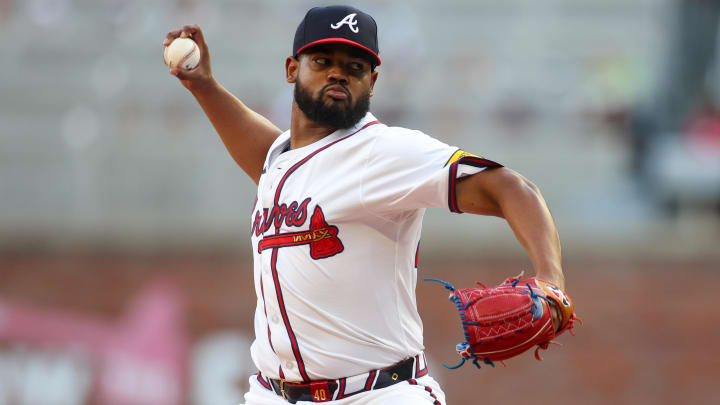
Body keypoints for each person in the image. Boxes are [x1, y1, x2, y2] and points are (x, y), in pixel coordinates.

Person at [165, 5, 565, 405]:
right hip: (273, 394)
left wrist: (551, 281)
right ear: (291, 69)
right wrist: (204, 86)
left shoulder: (384, 152)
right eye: (322, 61)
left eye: (356, 67)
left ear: (372, 82)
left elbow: (513, 188)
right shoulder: (281, 159)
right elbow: (267, 154)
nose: (338, 73)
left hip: (378, 393)